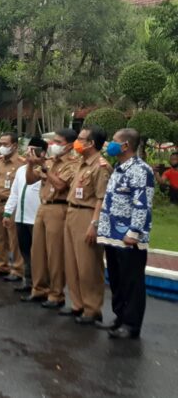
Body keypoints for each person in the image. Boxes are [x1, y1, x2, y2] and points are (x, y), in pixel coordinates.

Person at [97, 128, 155, 339]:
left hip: (129, 237)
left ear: (125, 146)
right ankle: (119, 317)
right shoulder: (119, 168)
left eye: (114, 141)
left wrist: (134, 232)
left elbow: (142, 204)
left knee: (131, 282)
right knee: (117, 280)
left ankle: (131, 325)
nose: (109, 145)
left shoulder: (141, 170)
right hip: (112, 234)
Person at [22, 128, 80, 308]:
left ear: (69, 145)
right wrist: (32, 164)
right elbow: (31, 180)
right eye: (53, 142)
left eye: (58, 142)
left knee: (55, 253)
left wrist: (45, 168)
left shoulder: (73, 163)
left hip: (59, 208)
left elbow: (61, 185)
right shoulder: (51, 160)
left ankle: (56, 294)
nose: (53, 145)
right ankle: (39, 289)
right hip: (44, 206)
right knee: (37, 251)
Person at [62, 125, 112, 324]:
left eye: (81, 139)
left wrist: (95, 224)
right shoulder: (81, 163)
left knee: (88, 265)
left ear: (91, 143)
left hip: (87, 215)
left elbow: (101, 198)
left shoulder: (101, 166)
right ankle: (77, 304)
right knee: (72, 263)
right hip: (72, 211)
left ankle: (92, 309)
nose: (77, 142)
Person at [3, 137, 48, 293]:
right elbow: (14, 193)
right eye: (28, 149)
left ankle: (40, 285)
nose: (29, 153)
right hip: (21, 217)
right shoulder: (22, 170)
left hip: (36, 218)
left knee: (39, 255)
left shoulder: (47, 169)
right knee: (25, 251)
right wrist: (8, 213)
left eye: (33, 150)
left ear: (42, 153)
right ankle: (27, 281)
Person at [0, 132, 26, 281]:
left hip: (12, 205)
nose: (1, 147)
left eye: (5, 144)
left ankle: (17, 269)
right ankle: (2, 265)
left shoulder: (22, 163)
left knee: (14, 238)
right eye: (0, 144)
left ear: (14, 146)